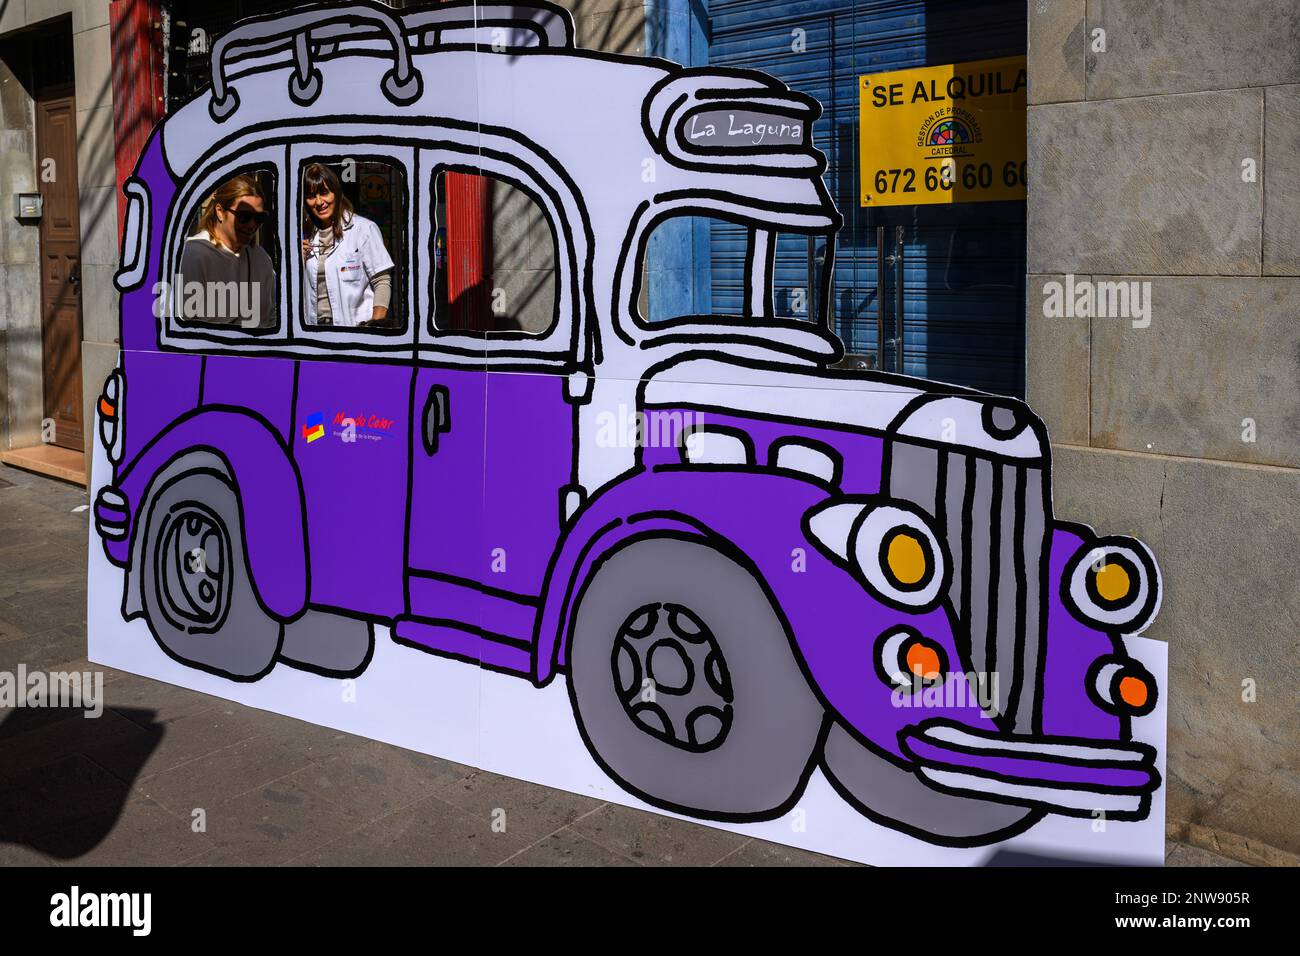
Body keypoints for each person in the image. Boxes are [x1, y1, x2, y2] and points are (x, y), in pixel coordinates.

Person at [300, 163, 395, 328]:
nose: (319, 202)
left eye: (324, 193)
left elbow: (382, 282)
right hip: (314, 331)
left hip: (356, 330)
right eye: (311, 196)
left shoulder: (363, 229)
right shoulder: (306, 236)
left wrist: (375, 326)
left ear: (336, 192)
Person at [178, 174, 278, 328]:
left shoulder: (261, 258)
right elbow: (182, 327)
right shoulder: (193, 256)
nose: (252, 225)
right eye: (244, 216)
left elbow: (272, 314)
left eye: (259, 218)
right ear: (220, 211)